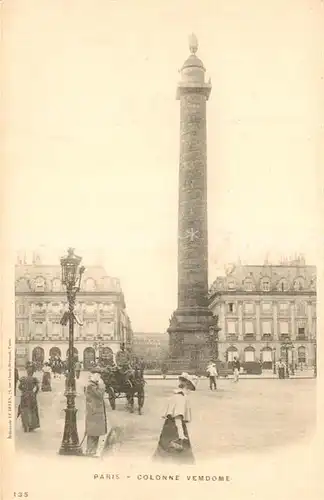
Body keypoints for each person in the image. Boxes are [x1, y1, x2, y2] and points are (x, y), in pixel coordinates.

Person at [153, 372, 196, 464]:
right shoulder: (181, 398)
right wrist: (181, 434)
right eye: (190, 389)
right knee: (179, 452)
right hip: (175, 427)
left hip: (168, 426)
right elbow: (178, 417)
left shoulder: (175, 396)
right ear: (186, 387)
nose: (190, 391)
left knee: (164, 449)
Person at [85, 372, 108, 456]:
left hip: (95, 412)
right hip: (94, 412)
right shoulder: (91, 386)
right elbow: (100, 394)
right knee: (93, 433)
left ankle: (92, 451)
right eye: (98, 377)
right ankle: (90, 451)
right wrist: (102, 385)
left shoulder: (93, 385)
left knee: (96, 433)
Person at [17, 366, 40, 432]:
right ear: (32, 373)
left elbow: (19, 387)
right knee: (32, 410)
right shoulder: (34, 379)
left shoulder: (23, 379)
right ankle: (32, 425)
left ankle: (25, 425)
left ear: (27, 372)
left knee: (24, 410)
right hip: (32, 395)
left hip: (24, 395)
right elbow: (38, 388)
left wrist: (23, 391)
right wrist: (35, 393)